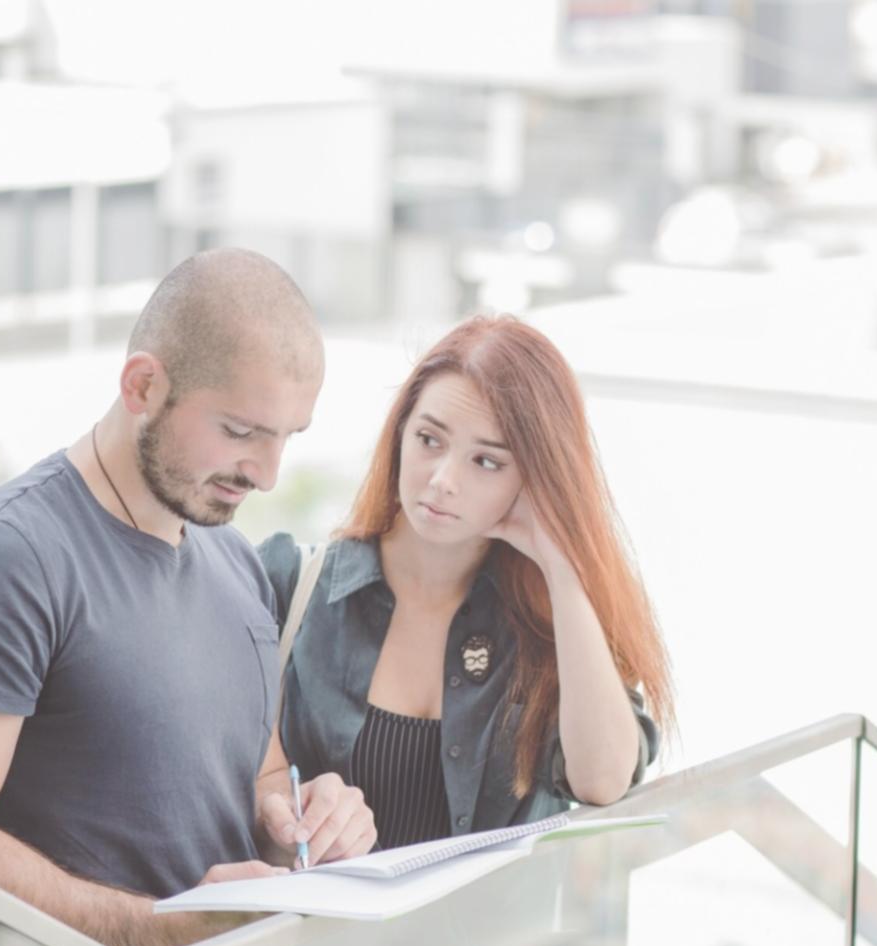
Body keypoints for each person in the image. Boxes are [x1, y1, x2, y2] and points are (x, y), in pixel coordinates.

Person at [0, 248, 376, 946]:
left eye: (287, 437)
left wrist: (293, 817)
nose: (265, 474)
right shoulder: (5, 560)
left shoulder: (231, 559)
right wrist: (155, 928)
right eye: (239, 431)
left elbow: (255, 772)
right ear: (143, 384)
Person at [256, 315, 673, 854]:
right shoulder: (290, 584)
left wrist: (563, 570)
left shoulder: (551, 632)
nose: (443, 480)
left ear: (534, 476)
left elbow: (602, 780)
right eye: (430, 439)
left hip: (487, 940)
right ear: (401, 432)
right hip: (317, 939)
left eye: (486, 461)